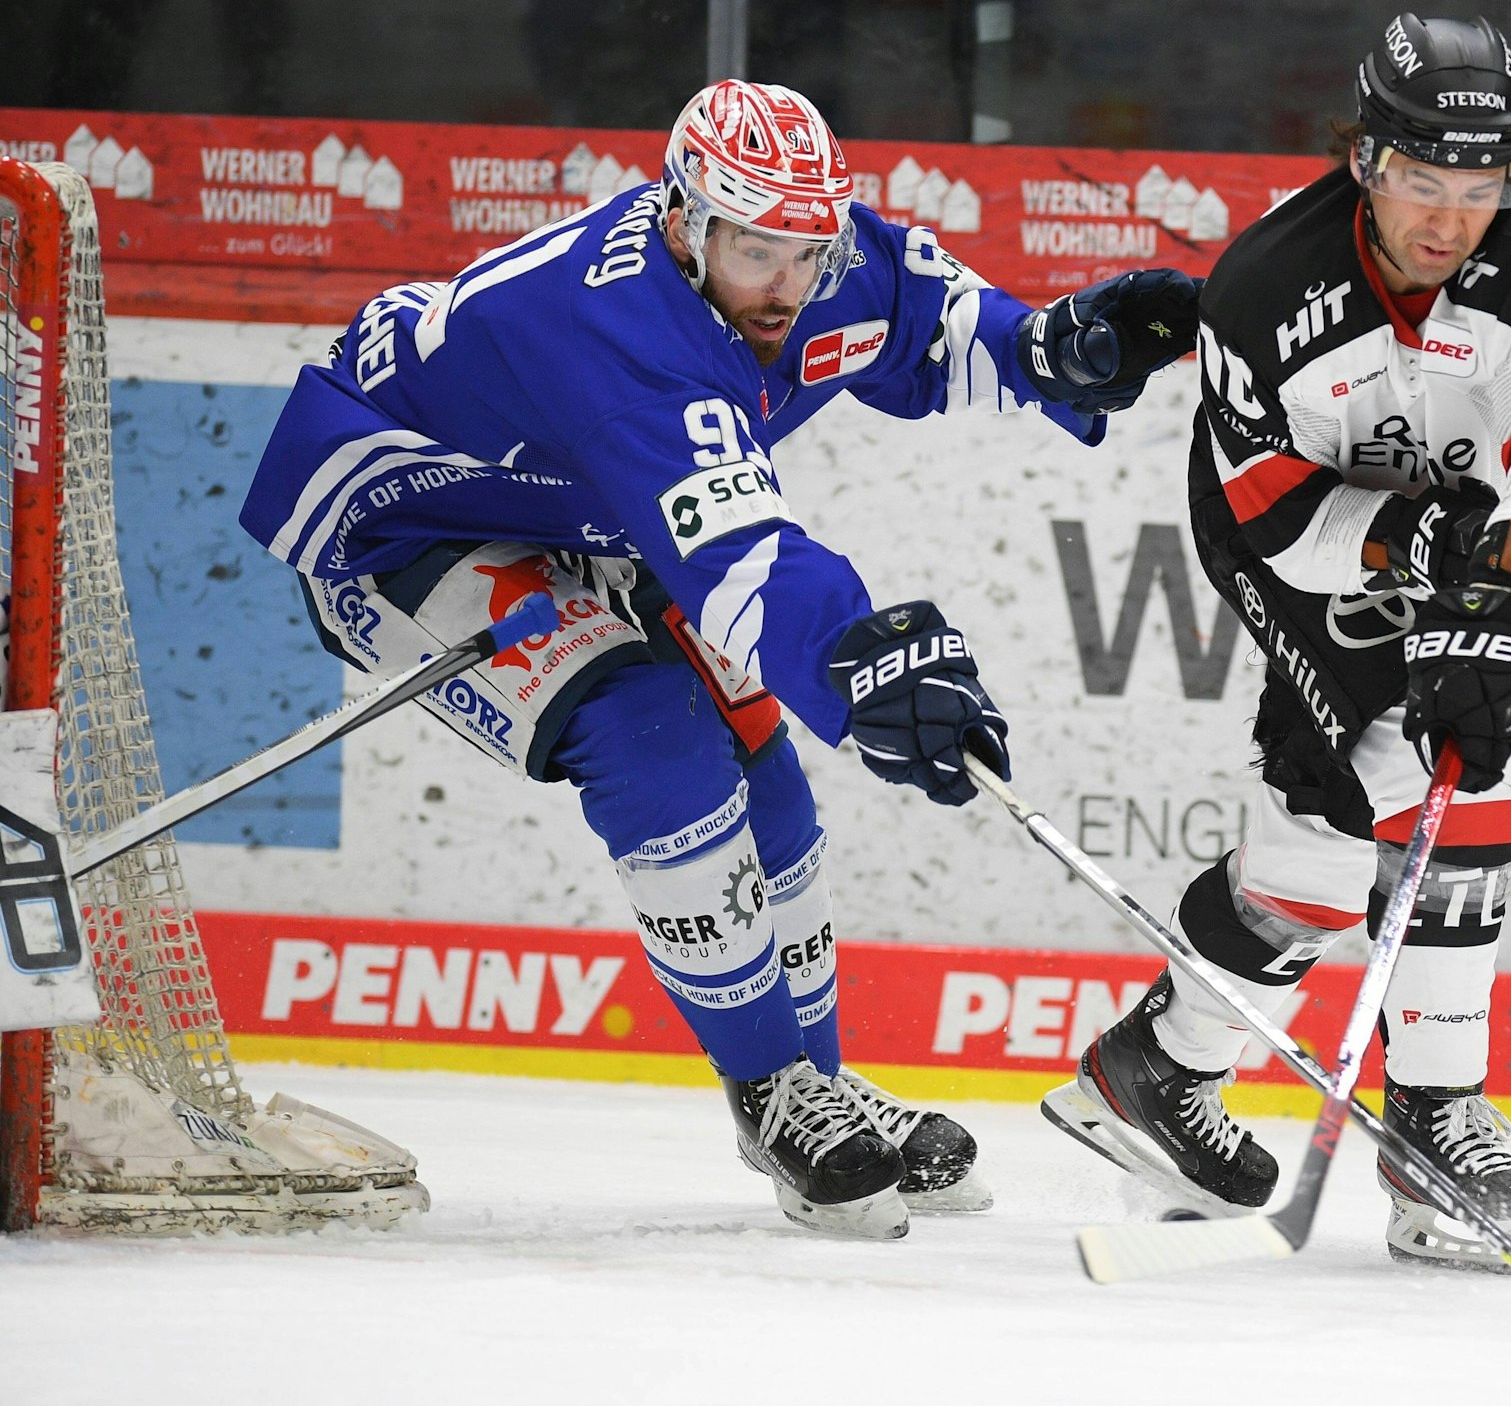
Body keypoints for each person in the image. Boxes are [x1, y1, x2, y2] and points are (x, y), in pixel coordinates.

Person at [240, 80, 1199, 1241]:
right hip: (407, 520)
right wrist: (860, 659)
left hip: (587, 505)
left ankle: (815, 1082)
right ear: (683, 219)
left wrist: (1050, 348)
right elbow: (738, 560)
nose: (787, 286)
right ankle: (767, 1091)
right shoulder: (611, 326)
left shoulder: (801, 256)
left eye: (807, 248)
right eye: (755, 250)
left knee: (763, 766)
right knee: (654, 739)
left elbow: (930, 321)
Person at [1043, 14, 1511, 1269]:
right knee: (1448, 766)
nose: (1448, 220)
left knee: (1321, 845)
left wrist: (1499, 605)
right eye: (1422, 182)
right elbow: (1270, 510)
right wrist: (1420, 552)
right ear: (1363, 158)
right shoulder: (1267, 286)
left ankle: (1153, 1067)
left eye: (1481, 189)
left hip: (1472, 547)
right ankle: (1434, 1127)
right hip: (1296, 542)